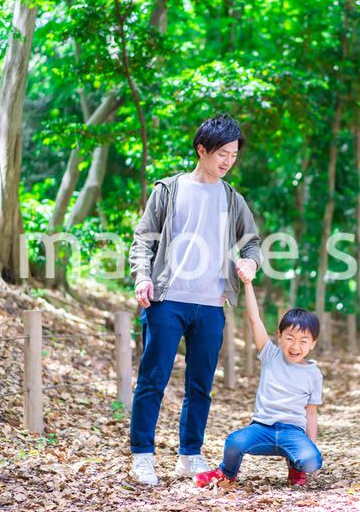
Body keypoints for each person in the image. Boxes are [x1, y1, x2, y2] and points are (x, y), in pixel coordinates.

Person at [127, 114, 262, 486]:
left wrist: (250, 259)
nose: (227, 162)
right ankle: (142, 456)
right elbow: (143, 240)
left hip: (212, 304)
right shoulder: (168, 190)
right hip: (167, 300)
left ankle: (189, 455)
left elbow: (251, 241)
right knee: (153, 379)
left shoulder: (233, 199)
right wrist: (141, 276)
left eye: (233, 156)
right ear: (201, 150)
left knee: (200, 384)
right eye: (221, 154)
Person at [193, 276, 323, 487]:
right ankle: (226, 473)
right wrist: (247, 283)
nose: (295, 346)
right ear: (279, 336)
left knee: (311, 461)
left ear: (312, 344)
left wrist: (312, 446)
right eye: (290, 338)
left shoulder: (314, 373)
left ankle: (296, 467)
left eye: (303, 341)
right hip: (262, 428)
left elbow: (311, 413)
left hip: (293, 432)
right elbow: (255, 319)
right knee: (234, 442)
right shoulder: (270, 355)